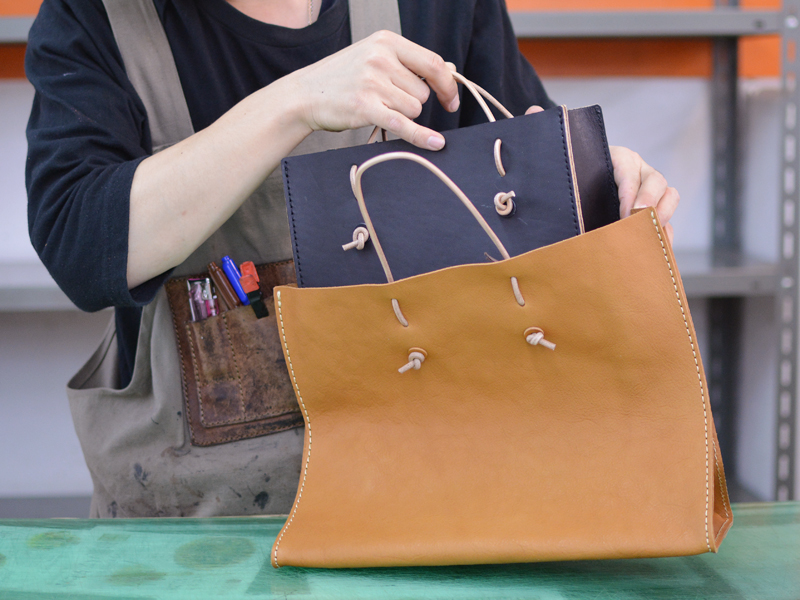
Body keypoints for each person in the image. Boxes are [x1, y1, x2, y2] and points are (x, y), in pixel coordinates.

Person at [25, 0, 679, 518]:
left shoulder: (437, 8)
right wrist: (294, 103)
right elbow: (78, 247)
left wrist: (600, 190)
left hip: (430, 509)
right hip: (193, 537)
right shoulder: (96, 18)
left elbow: (528, 208)